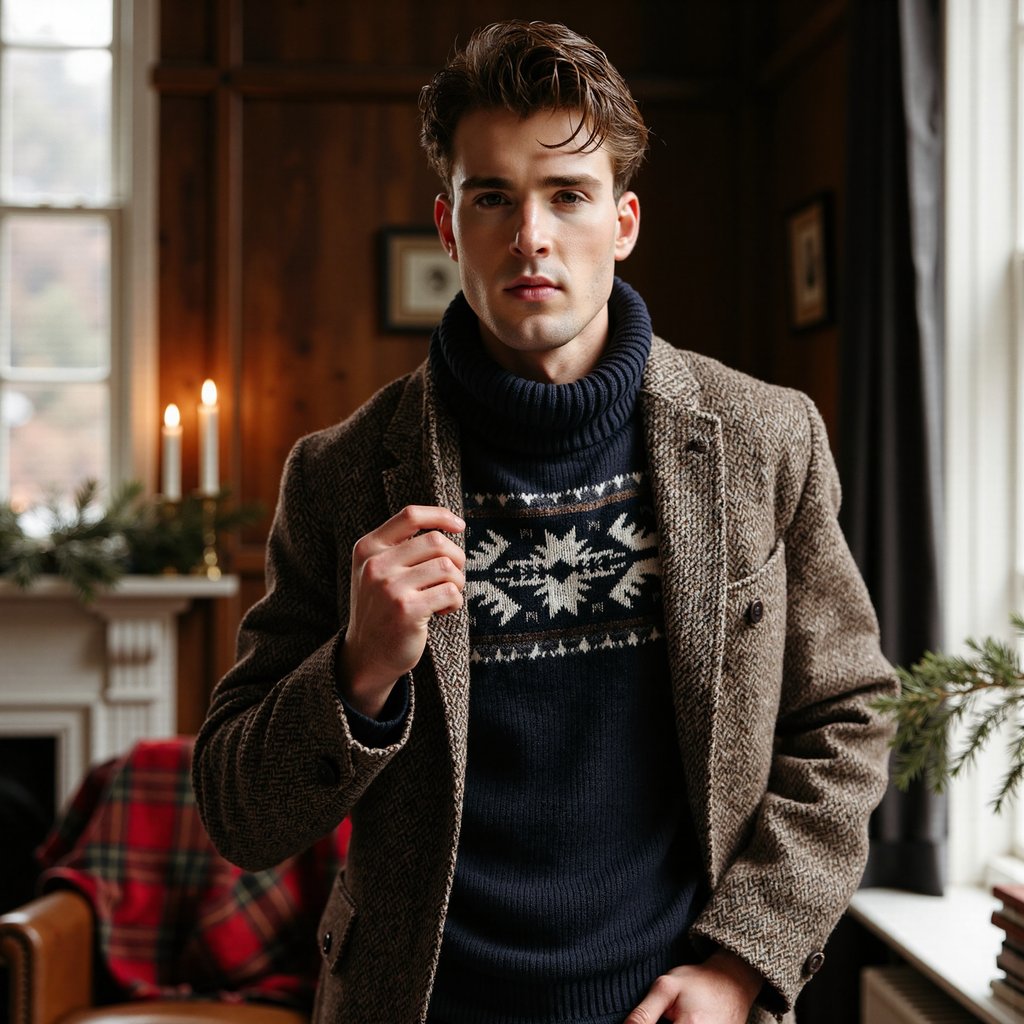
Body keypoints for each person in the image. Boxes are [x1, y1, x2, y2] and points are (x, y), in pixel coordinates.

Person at [192, 20, 895, 1024]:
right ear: (448, 226)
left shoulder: (763, 439)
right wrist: (359, 669)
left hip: (676, 1008)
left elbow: (849, 716)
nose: (531, 236)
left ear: (624, 220)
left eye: (568, 194)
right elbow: (238, 812)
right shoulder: (340, 475)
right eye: (494, 198)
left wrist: (743, 960)